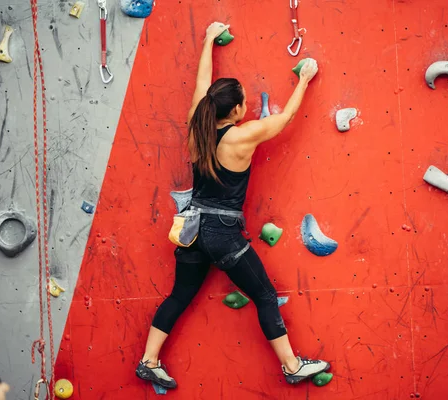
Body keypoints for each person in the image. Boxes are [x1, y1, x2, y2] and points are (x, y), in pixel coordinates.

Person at [136, 21, 329, 389]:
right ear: (239, 109)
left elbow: (201, 86)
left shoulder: (198, 125)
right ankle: (291, 366)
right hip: (222, 233)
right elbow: (285, 118)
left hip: (191, 228)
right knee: (264, 295)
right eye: (244, 101)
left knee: (180, 295)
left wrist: (208, 39)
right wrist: (304, 78)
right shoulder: (243, 136)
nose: (247, 105)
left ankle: (148, 360)